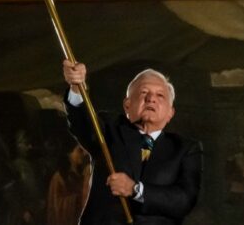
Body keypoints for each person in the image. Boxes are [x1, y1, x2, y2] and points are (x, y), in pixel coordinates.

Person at [62, 60, 203, 225]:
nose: (151, 99)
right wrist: (77, 88)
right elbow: (83, 124)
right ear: (127, 105)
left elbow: (183, 201)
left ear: (170, 113)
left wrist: (135, 190)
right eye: (144, 93)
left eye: (160, 95)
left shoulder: (185, 149)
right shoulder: (109, 129)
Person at [46, 140, 92, 225]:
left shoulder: (81, 174)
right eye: (80, 150)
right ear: (69, 153)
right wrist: (77, 199)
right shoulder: (58, 178)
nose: (84, 154)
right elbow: (56, 207)